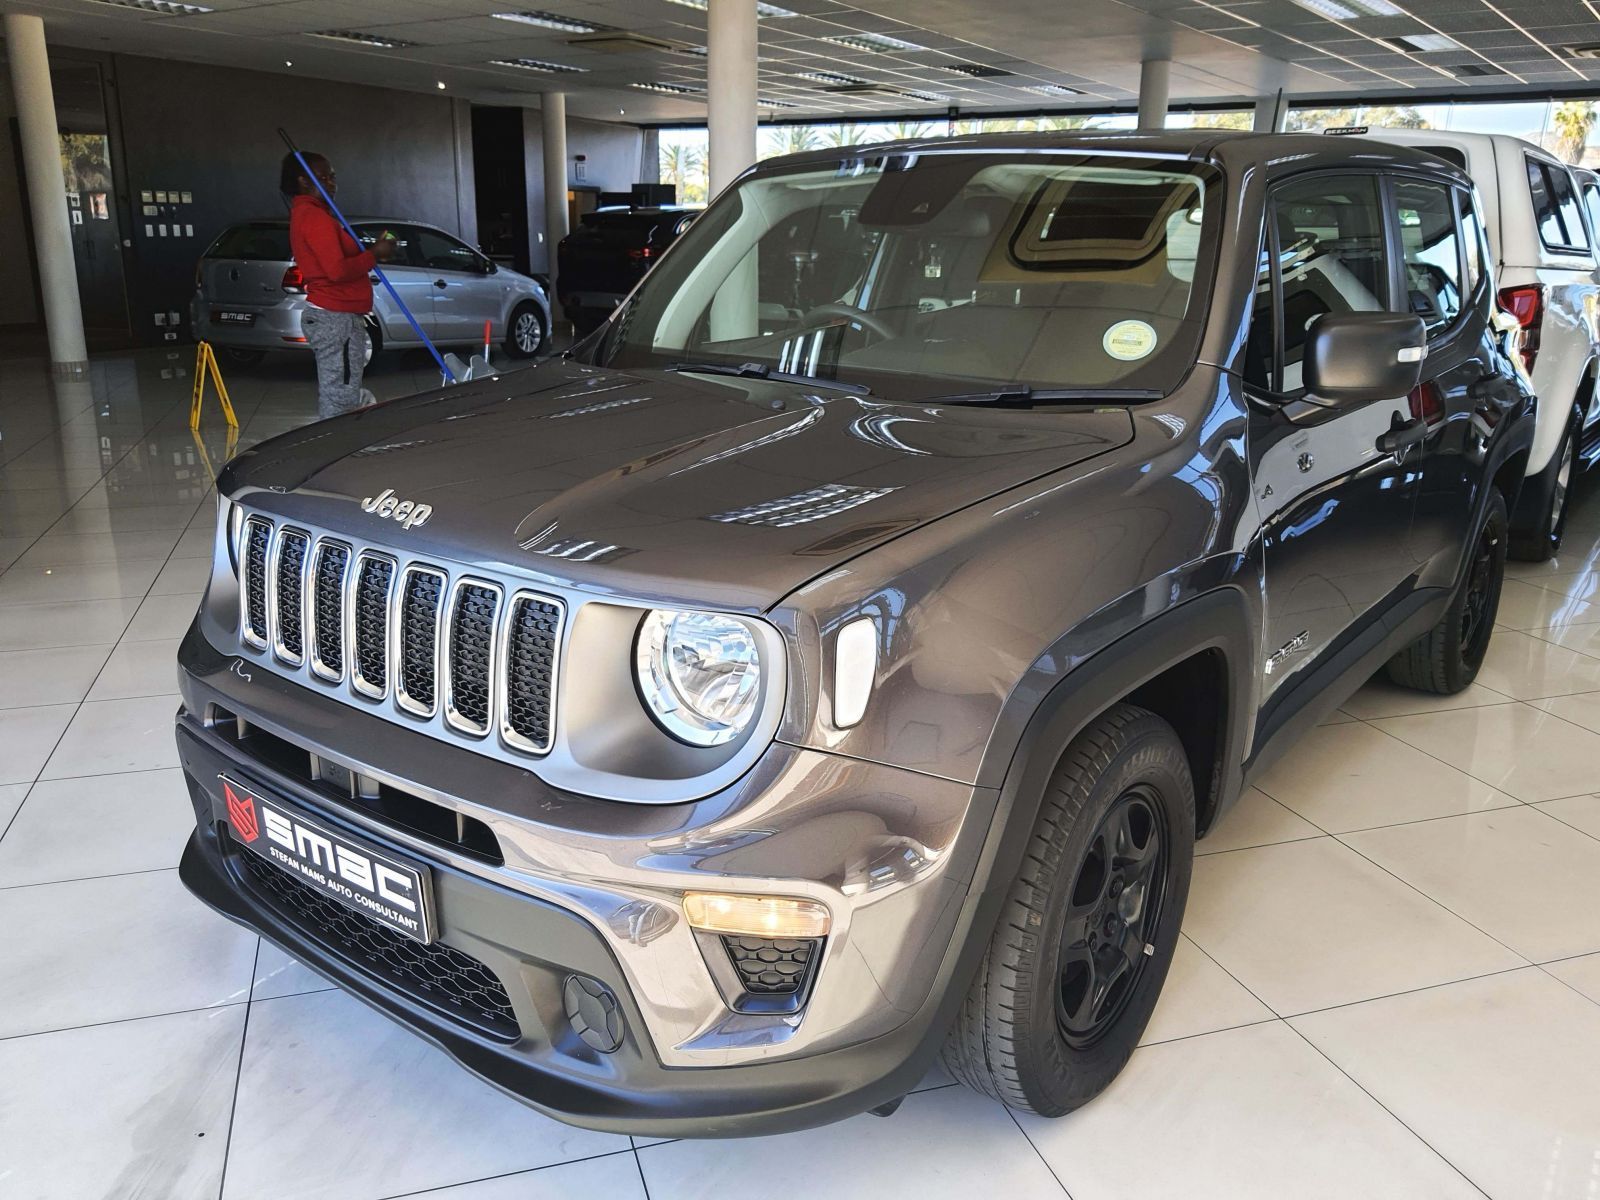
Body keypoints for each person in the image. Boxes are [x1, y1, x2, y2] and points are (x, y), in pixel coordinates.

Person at [280, 151, 395, 420]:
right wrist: (374, 254)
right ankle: (338, 453)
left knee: (345, 392)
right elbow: (336, 271)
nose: (332, 183)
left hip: (337, 316)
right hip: (335, 317)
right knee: (340, 400)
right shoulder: (314, 217)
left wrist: (372, 251)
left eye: (333, 177)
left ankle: (357, 432)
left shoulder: (312, 214)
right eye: (324, 177)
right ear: (303, 182)